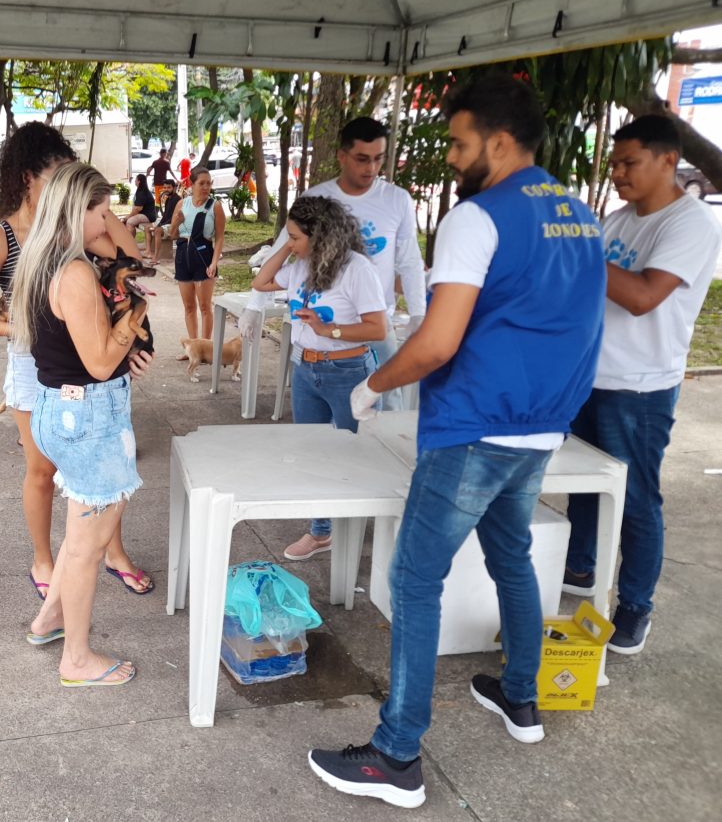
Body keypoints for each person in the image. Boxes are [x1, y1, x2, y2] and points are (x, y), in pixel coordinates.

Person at [306, 74, 605, 809]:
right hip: (539, 428)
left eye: (458, 142)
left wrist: (370, 388)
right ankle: (522, 696)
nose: (450, 155)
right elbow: (581, 323)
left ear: (498, 143)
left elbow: (437, 342)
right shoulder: (579, 213)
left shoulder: (479, 217)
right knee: (510, 556)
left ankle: (396, 753)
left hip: (476, 427)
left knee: (413, 579)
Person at [0, 123, 154, 601]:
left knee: (107, 467)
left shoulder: (83, 228)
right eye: (57, 177)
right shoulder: (2, 237)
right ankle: (44, 559)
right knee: (43, 469)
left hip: (94, 362)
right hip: (33, 365)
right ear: (27, 178)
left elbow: (135, 264)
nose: (67, 189)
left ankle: (112, 550)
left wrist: (103, 215)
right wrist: (19, 328)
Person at [562, 115, 722, 654]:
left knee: (635, 499)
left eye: (628, 163)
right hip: (591, 374)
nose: (617, 174)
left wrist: (581, 245)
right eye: (613, 164)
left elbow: (641, 296)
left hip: (640, 387)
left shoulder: (689, 224)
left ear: (668, 160)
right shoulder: (617, 220)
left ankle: (634, 605)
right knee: (584, 484)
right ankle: (580, 569)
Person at [12, 162, 145, 687]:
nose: (108, 218)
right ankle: (78, 659)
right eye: (101, 208)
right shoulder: (75, 272)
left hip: (56, 411)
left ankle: (49, 621)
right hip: (89, 416)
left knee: (78, 535)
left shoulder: (41, 259)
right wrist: (130, 325)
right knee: (90, 546)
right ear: (77, 209)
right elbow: (99, 363)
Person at [243, 118, 426, 410]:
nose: (371, 169)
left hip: (373, 324)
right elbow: (285, 245)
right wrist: (255, 305)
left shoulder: (396, 200)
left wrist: (418, 313)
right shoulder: (317, 197)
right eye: (362, 159)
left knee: (388, 405)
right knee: (330, 413)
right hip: (323, 326)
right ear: (342, 156)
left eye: (379, 159)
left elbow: (410, 261)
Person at [252, 196, 388, 560]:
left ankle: (356, 531)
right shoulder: (300, 264)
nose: (291, 243)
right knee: (311, 453)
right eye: (289, 236)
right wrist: (286, 246)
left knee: (354, 455)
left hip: (348, 372)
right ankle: (321, 531)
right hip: (305, 368)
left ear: (321, 235)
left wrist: (331, 330)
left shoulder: (356, 269)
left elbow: (378, 328)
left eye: (296, 236)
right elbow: (261, 281)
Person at [168, 167, 225, 340]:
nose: (206, 187)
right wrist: (176, 223)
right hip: (183, 256)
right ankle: (193, 347)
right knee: (189, 306)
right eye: (202, 183)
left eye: (209, 183)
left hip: (204, 256)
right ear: (191, 184)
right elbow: (172, 234)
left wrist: (214, 263)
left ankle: (206, 347)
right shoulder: (181, 204)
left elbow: (220, 238)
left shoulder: (214, 206)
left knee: (205, 306)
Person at [145, 185, 182, 263]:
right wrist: (160, 224)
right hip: (166, 223)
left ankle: (156, 257)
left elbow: (174, 218)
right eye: (165, 188)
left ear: (174, 188)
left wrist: (160, 226)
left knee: (158, 231)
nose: (166, 190)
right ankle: (148, 252)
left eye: (169, 188)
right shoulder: (168, 199)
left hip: (173, 225)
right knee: (147, 227)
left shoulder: (178, 200)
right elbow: (165, 215)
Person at [124, 173, 157, 247]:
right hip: (145, 214)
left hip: (148, 215)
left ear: (139, 181)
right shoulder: (141, 190)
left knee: (129, 222)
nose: (134, 181)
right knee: (130, 221)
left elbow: (138, 208)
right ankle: (130, 244)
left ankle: (130, 245)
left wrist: (128, 217)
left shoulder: (142, 192)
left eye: (135, 180)